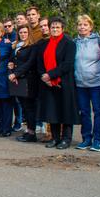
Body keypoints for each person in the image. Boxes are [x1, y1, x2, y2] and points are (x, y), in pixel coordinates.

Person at [37, 17, 80, 149]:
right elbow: (39, 62)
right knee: (52, 112)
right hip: (48, 84)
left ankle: (66, 139)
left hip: (64, 82)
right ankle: (55, 138)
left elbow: (67, 64)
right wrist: (44, 76)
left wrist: (51, 75)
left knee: (65, 112)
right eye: (53, 27)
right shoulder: (44, 43)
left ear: (62, 29)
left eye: (57, 27)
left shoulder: (69, 44)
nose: (55, 29)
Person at [74, 15, 100, 151]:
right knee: (84, 112)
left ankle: (98, 140)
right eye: (80, 25)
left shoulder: (99, 41)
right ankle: (86, 138)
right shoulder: (74, 42)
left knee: (98, 112)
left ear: (90, 27)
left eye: (85, 25)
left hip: (97, 83)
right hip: (80, 84)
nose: (82, 27)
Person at [9, 25, 39, 143]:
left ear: (29, 33)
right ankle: (28, 131)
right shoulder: (16, 46)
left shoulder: (32, 46)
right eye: (21, 32)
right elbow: (12, 61)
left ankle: (32, 133)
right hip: (18, 80)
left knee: (29, 107)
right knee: (24, 107)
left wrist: (16, 73)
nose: (23, 34)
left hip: (28, 80)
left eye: (25, 32)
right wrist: (11, 70)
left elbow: (30, 63)